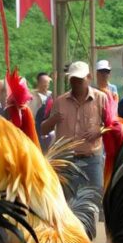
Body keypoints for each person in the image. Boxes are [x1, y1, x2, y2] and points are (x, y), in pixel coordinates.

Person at [40, 61, 109, 189]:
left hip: (92, 160)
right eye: (73, 79)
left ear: (89, 77)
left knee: (94, 200)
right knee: (67, 201)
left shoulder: (101, 98)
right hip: (66, 160)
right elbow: (43, 130)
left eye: (79, 79)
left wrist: (99, 131)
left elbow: (112, 125)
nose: (76, 83)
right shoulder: (60, 101)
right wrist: (53, 120)